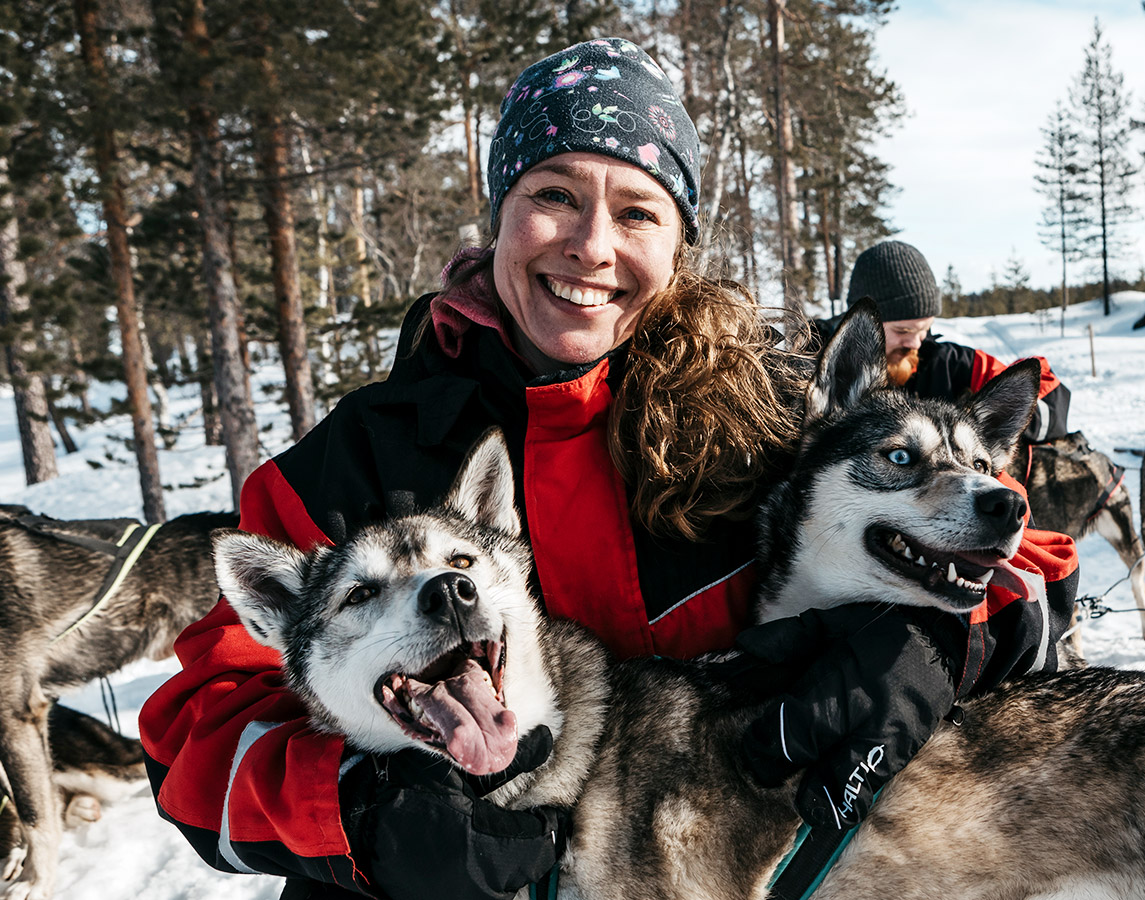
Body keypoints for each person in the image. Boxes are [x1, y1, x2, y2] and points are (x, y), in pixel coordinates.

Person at [140, 38, 1078, 900]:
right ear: (499, 212)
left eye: (636, 211)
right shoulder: (356, 460)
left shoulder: (762, 417)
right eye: (553, 194)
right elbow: (198, 729)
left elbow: (1024, 558)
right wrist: (362, 814)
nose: (591, 245)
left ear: (677, 246)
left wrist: (940, 645)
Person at [840, 240, 1072, 445]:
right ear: (863, 325)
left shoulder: (949, 363)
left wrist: (984, 419)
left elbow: (1048, 403)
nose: (915, 343)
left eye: (924, 329)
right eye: (903, 330)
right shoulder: (815, 355)